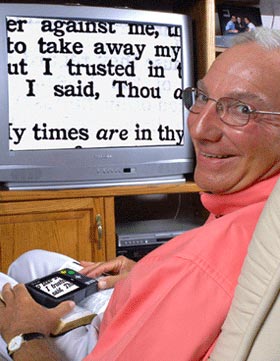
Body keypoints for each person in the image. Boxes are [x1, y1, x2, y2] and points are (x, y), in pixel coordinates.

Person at [2, 27, 280, 361]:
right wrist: (148, 277)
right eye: (203, 98)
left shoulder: (194, 267)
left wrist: (23, 332)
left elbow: (200, 278)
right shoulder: (259, 212)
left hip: (107, 343)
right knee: (31, 262)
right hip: (144, 315)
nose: (199, 128)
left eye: (241, 110)